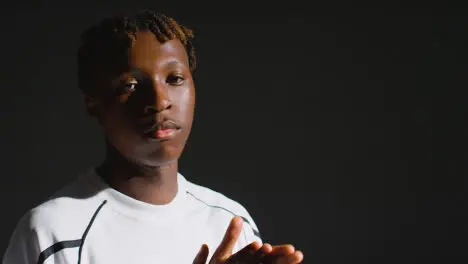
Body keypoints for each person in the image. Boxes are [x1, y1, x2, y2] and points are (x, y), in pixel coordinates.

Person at [3, 9, 304, 264]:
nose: (160, 101)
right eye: (131, 85)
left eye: (174, 79)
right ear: (93, 102)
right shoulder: (51, 233)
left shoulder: (230, 224)